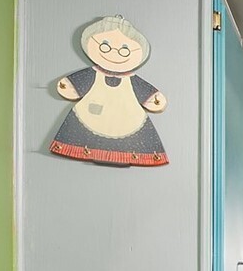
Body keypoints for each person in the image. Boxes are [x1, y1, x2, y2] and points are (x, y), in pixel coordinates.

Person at [50, 15, 168, 167]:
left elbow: (153, 99)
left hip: (126, 119)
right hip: (91, 116)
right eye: (104, 46)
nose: (115, 53)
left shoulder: (132, 80)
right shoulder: (91, 74)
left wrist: (155, 99)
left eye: (125, 50)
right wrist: (67, 86)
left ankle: (122, 156)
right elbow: (68, 87)